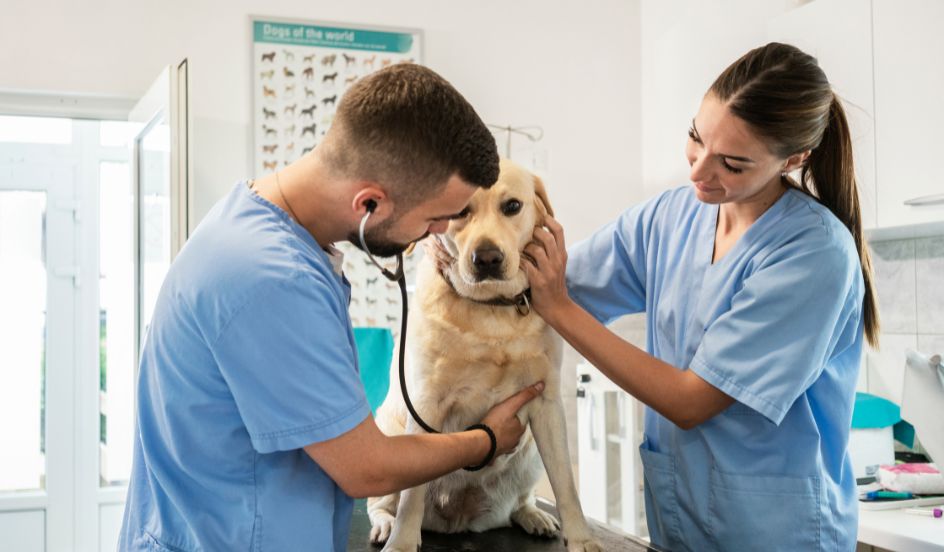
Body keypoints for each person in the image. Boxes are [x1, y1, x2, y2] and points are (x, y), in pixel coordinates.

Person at [118, 63, 545, 552]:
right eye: (435, 218)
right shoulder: (272, 281)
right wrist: (486, 440)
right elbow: (366, 468)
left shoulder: (251, 221)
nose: (437, 238)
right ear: (369, 205)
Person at [521, 43, 879, 551]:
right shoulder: (671, 216)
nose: (697, 171)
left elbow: (690, 401)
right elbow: (551, 280)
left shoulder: (813, 253)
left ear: (793, 160)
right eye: (696, 137)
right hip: (681, 521)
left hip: (775, 532)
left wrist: (559, 309)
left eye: (731, 164)